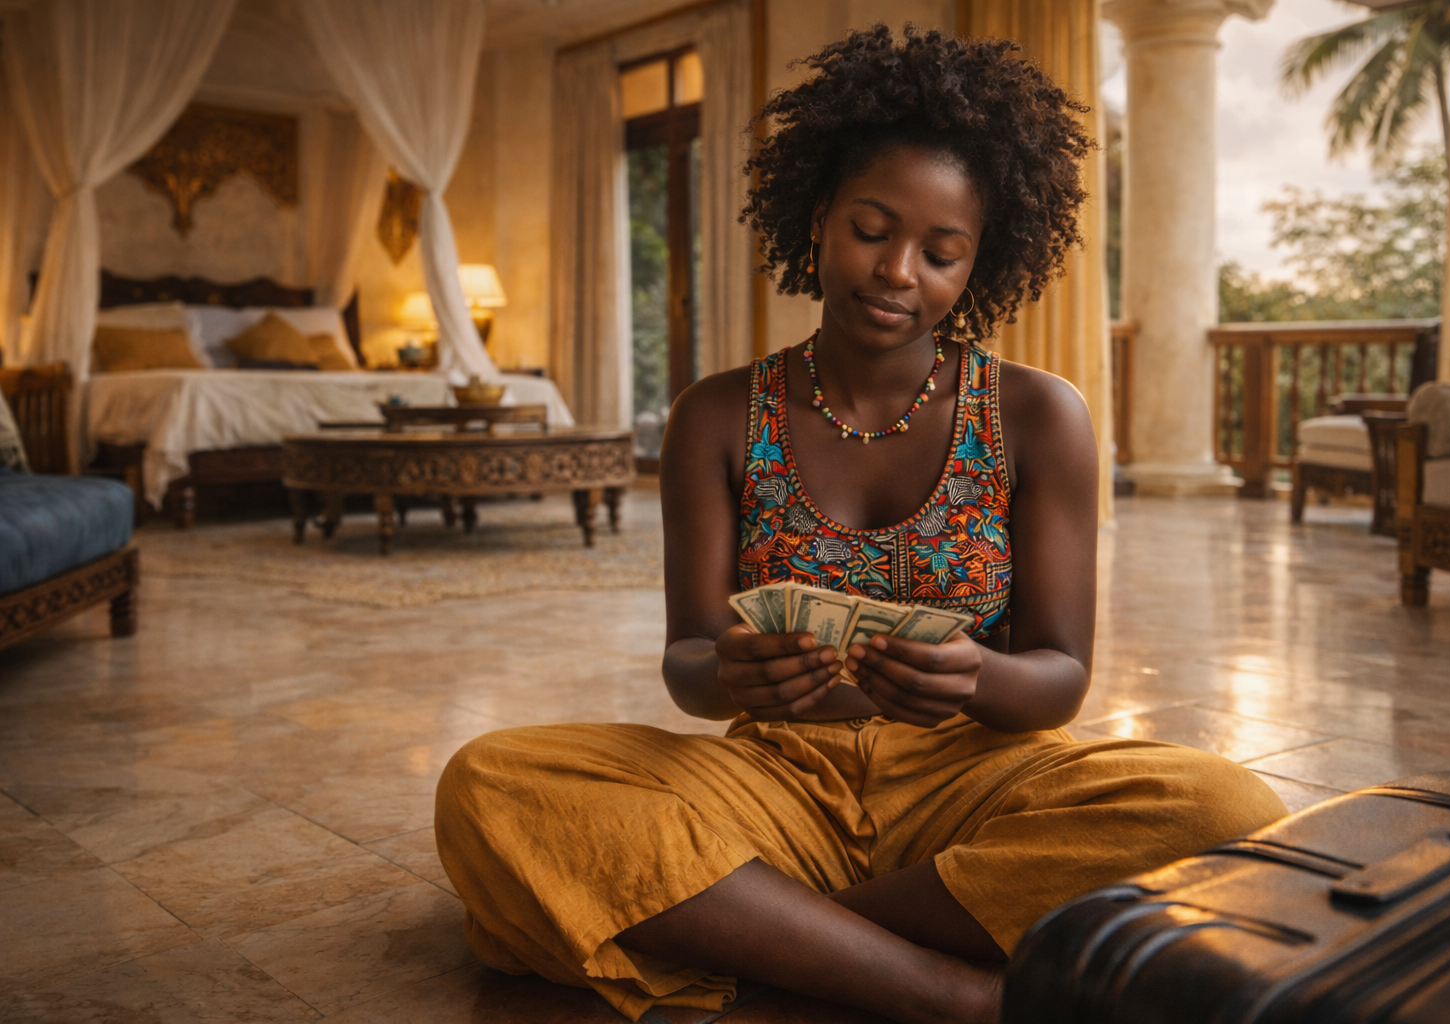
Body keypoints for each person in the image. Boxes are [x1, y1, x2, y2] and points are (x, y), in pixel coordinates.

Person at [435, 25, 1286, 1024]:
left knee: (1229, 812)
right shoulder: (714, 416)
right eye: (872, 229)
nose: (898, 272)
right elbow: (690, 663)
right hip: (774, 776)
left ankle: (765, 932)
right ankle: (947, 990)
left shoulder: (1038, 414)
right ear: (818, 215)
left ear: (980, 263)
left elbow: (1058, 676)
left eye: (941, 252)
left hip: (977, 775)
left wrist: (977, 673)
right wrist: (730, 672)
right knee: (491, 785)